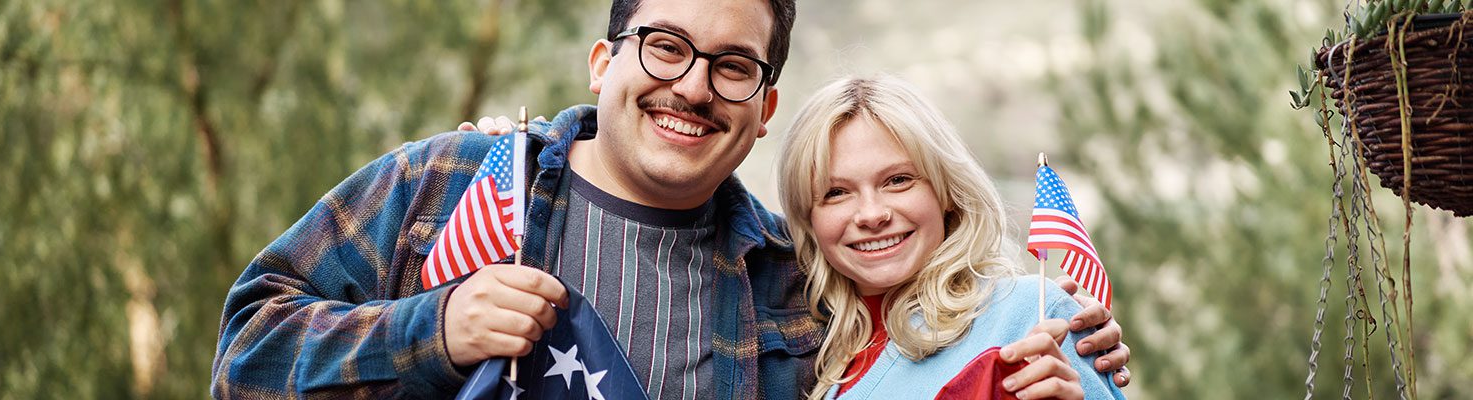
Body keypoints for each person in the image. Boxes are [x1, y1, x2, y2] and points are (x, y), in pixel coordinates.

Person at [213, 0, 1130, 398]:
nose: (693, 86)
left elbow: (932, 353)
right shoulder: (448, 185)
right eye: (664, 45)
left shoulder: (791, 285)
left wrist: (1082, 360)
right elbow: (243, 361)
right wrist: (435, 330)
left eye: (732, 65)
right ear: (604, 60)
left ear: (763, 108)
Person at [774, 75, 1124, 399]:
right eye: (836, 192)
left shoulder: (1033, 314)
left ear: (946, 193)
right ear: (809, 218)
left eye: (898, 180)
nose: (871, 214)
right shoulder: (802, 347)